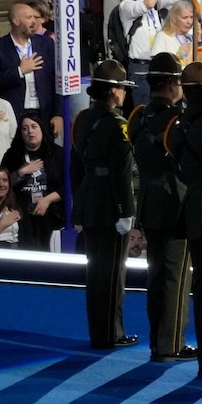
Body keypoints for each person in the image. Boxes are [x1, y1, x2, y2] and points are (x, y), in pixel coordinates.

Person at [128, 55, 191, 361]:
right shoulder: (175, 121)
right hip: (174, 203)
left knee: (158, 276)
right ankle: (171, 343)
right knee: (174, 277)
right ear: (169, 84)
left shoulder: (139, 117)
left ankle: (159, 340)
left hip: (151, 204)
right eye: (178, 81)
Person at [73, 61, 138, 351]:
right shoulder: (118, 125)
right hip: (110, 205)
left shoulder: (84, 118)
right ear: (113, 91)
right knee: (112, 274)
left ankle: (98, 331)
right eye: (122, 88)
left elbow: (77, 164)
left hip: (89, 200)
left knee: (95, 271)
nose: (124, 93)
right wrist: (126, 210)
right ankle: (111, 333)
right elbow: (121, 173)